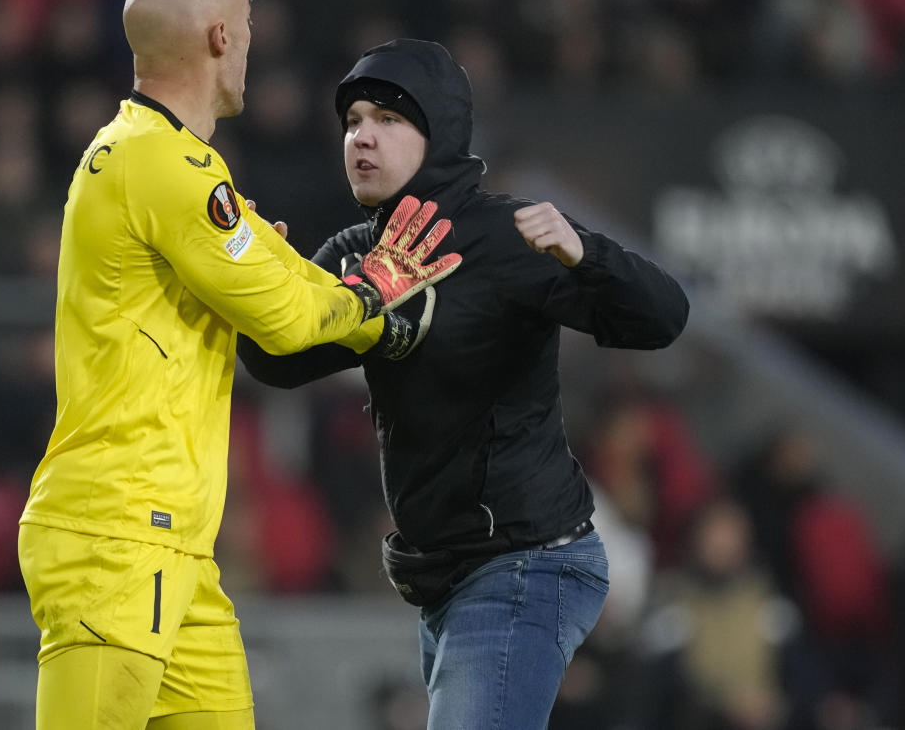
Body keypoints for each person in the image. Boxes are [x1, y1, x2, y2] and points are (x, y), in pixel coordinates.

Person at [17, 0, 460, 730]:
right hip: (115, 537)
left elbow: (280, 280)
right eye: (248, 28)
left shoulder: (161, 166)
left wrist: (320, 289)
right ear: (221, 35)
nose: (252, 46)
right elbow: (288, 316)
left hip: (177, 547)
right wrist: (379, 300)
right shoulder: (168, 168)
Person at [237, 38, 690, 729]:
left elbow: (664, 317)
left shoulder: (506, 236)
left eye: (389, 119)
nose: (362, 136)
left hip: (525, 562)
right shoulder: (359, 253)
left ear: (439, 132)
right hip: (446, 577)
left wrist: (589, 252)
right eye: (353, 119)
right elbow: (275, 363)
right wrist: (264, 285)